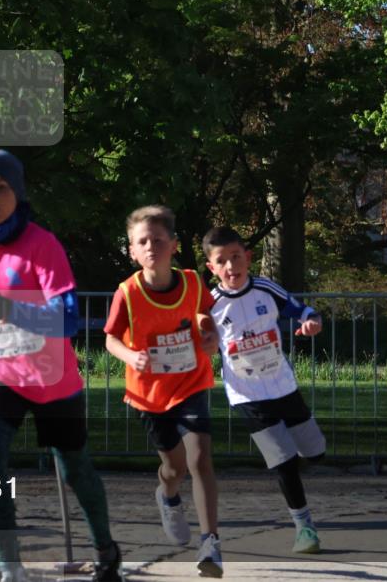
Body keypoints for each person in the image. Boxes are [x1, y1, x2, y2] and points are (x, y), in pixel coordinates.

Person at [0, 150, 122, 582]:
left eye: (1, 188)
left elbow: (66, 319)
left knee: (74, 468)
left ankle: (106, 551)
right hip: (0, 372)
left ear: (18, 190)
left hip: (52, 377)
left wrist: (8, 309)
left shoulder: (42, 245)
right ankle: (11, 567)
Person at [103, 205, 224, 578]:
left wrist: (210, 335)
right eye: (143, 241)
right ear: (132, 251)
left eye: (158, 240)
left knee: (200, 457)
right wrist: (130, 356)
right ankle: (167, 496)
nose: (151, 246)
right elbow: (109, 339)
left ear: (173, 245)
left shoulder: (191, 281)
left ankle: (211, 544)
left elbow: (204, 313)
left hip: (191, 382)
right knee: (173, 468)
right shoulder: (127, 292)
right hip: (149, 393)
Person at [203, 226, 326, 554]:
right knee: (283, 460)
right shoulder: (209, 304)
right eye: (222, 261)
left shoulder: (266, 289)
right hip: (248, 395)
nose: (231, 266)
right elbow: (198, 340)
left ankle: (297, 455)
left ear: (248, 257)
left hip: (283, 386)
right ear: (211, 268)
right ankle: (304, 528)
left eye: (236, 257)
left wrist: (312, 322)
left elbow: (303, 311)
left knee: (315, 453)